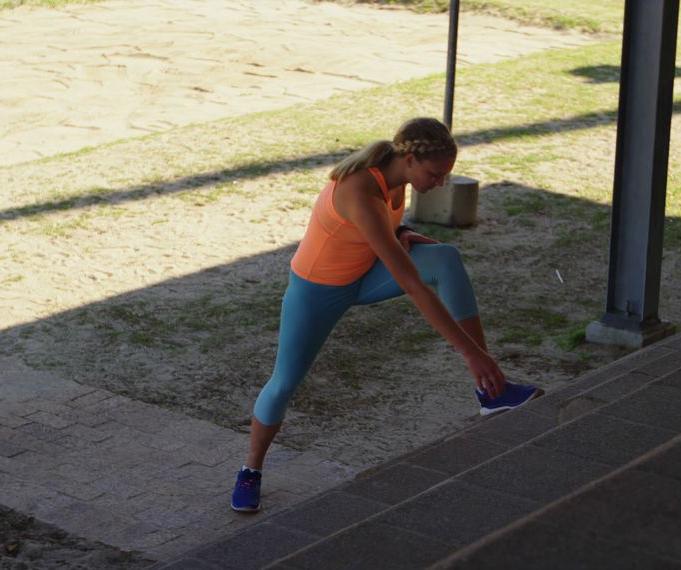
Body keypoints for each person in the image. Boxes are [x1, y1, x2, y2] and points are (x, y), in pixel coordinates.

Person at [231, 117, 541, 513]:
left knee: (445, 258)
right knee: (284, 383)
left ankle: (490, 392)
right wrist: (472, 353)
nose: (440, 183)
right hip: (317, 291)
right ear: (410, 159)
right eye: (435, 174)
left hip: (362, 276)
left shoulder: (398, 179)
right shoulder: (361, 188)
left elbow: (377, 234)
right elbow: (414, 286)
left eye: (446, 175)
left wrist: (399, 232)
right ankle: (250, 470)